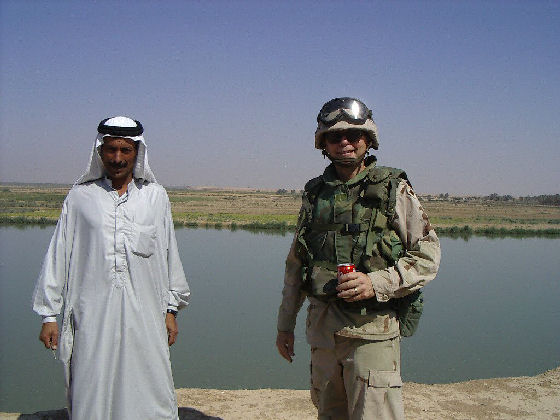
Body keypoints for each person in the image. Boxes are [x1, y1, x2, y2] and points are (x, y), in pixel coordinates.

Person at [276, 98, 441, 420]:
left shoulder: (392, 188)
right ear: (323, 143)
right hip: (323, 331)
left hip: (371, 332)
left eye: (354, 135)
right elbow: (296, 264)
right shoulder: (315, 193)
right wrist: (285, 327)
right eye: (335, 137)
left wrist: (375, 282)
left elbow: (427, 255)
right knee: (329, 412)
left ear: (368, 139)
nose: (345, 143)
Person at [32, 116, 190, 420]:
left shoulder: (156, 197)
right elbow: (58, 256)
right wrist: (49, 315)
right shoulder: (80, 198)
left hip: (146, 316)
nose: (118, 158)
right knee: (93, 386)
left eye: (126, 150)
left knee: (151, 387)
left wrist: (171, 309)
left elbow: (170, 255)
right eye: (111, 150)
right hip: (92, 317)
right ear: (100, 152)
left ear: (137, 153)